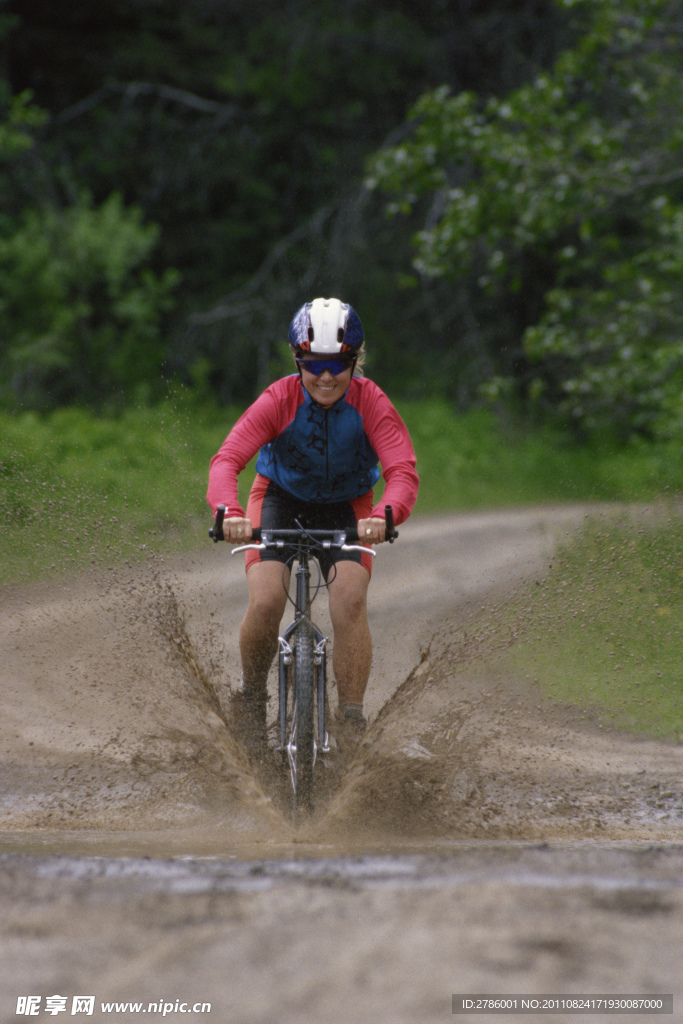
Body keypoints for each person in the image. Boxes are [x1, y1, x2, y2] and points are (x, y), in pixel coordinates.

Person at [207, 297, 419, 754]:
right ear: (298, 360)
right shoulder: (278, 399)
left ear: (355, 360)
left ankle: (350, 718)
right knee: (265, 601)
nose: (326, 376)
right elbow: (228, 460)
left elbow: (402, 471)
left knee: (349, 599)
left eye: (338, 364)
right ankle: (250, 699)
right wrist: (228, 511)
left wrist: (385, 515)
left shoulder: (372, 402)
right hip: (279, 498)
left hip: (349, 506)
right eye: (313, 364)